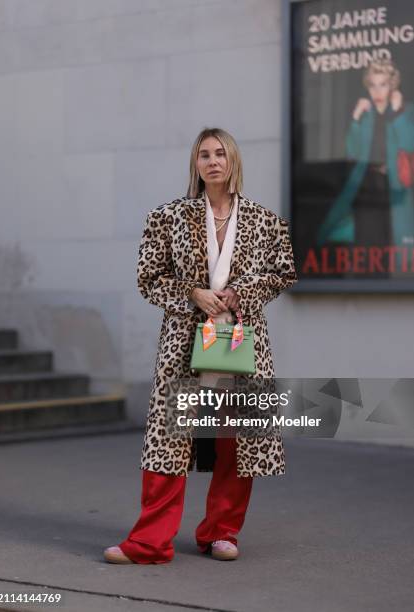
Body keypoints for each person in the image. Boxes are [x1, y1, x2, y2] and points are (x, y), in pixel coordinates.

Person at [103, 127, 297, 564]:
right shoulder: (167, 216)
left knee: (237, 441)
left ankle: (222, 532)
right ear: (195, 164)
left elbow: (283, 273)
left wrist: (241, 291)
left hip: (242, 344)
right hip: (184, 346)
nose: (212, 161)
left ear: (233, 162)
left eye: (220, 153)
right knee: (168, 439)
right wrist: (194, 293)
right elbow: (148, 279)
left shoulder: (267, 221)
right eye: (204, 154)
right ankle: (149, 542)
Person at [317, 58, 414, 273]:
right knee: (368, 242)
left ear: (393, 86)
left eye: (383, 84)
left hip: (395, 185)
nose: (377, 90)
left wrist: (397, 113)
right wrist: (355, 118)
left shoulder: (407, 111)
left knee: (396, 242)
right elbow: (353, 152)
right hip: (367, 184)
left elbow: (410, 144)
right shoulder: (366, 115)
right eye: (373, 85)